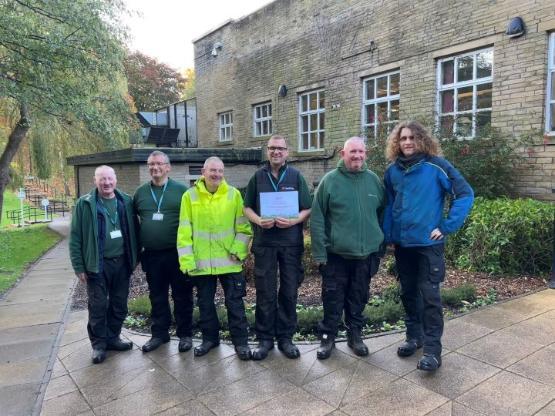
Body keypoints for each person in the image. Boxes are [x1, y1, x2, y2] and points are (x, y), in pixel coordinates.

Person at [383, 120, 474, 372]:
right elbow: (390, 205)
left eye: (412, 137)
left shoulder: (438, 167)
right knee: (408, 293)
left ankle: (433, 352)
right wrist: (388, 234)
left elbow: (465, 194)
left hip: (428, 245)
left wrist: (446, 226)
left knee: (430, 297)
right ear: (397, 143)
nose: (408, 142)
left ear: (421, 140)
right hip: (403, 246)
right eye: (403, 139)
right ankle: (415, 337)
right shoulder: (392, 172)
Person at [311, 137, 385, 360]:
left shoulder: (373, 181)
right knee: (332, 299)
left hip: (365, 256)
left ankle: (355, 336)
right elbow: (317, 218)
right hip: (336, 255)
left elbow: (381, 214)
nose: (357, 156)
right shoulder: (330, 181)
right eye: (353, 152)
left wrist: (379, 244)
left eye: (361, 152)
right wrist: (319, 252)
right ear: (343, 154)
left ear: (366, 154)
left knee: (358, 297)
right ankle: (327, 339)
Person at [243, 135, 312, 360]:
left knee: (289, 290)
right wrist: (257, 220)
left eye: (280, 148)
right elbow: (247, 207)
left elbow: (307, 208)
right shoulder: (258, 176)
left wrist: (293, 221)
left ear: (287, 152)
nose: (276, 152)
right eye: (272, 148)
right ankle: (264, 339)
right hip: (265, 243)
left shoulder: (296, 176)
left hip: (291, 243)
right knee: (265, 291)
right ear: (267, 151)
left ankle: (285, 337)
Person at [177, 156, 253, 360]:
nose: (216, 174)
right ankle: (210, 340)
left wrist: (239, 251)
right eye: (212, 170)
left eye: (220, 171)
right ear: (203, 171)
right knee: (205, 304)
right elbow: (184, 231)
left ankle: (241, 343)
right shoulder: (189, 196)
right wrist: (187, 261)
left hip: (230, 262)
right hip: (202, 264)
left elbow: (244, 228)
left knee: (235, 304)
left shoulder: (234, 195)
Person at [69, 165, 139, 364]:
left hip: (122, 263)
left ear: (115, 180)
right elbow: (75, 238)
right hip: (97, 264)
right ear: (95, 181)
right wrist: (79, 266)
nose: (107, 183)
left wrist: (134, 259)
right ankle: (99, 345)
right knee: (98, 306)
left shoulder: (125, 201)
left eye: (110, 179)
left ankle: (113, 338)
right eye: (102, 179)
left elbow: (134, 231)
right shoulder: (85, 204)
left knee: (119, 304)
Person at [133, 151, 194, 353]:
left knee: (182, 295)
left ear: (168, 167)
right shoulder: (140, 193)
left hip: (177, 254)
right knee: (157, 296)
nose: (155, 167)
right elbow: (133, 223)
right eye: (151, 164)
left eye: (159, 164)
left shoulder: (182, 191)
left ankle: (185, 334)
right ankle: (159, 334)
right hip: (152, 255)